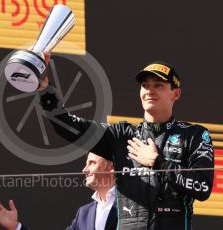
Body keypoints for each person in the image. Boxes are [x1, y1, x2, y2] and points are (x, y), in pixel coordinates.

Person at [38, 59, 214, 230]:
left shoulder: (194, 135)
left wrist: (158, 162)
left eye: (158, 85)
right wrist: (45, 89)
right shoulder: (121, 136)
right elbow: (67, 125)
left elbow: (203, 188)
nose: (150, 91)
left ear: (176, 93)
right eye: (145, 85)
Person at [0, 152, 117, 230]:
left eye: (92, 163)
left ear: (111, 167)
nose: (84, 170)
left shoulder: (132, 202)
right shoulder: (84, 214)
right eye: (86, 163)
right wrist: (16, 227)